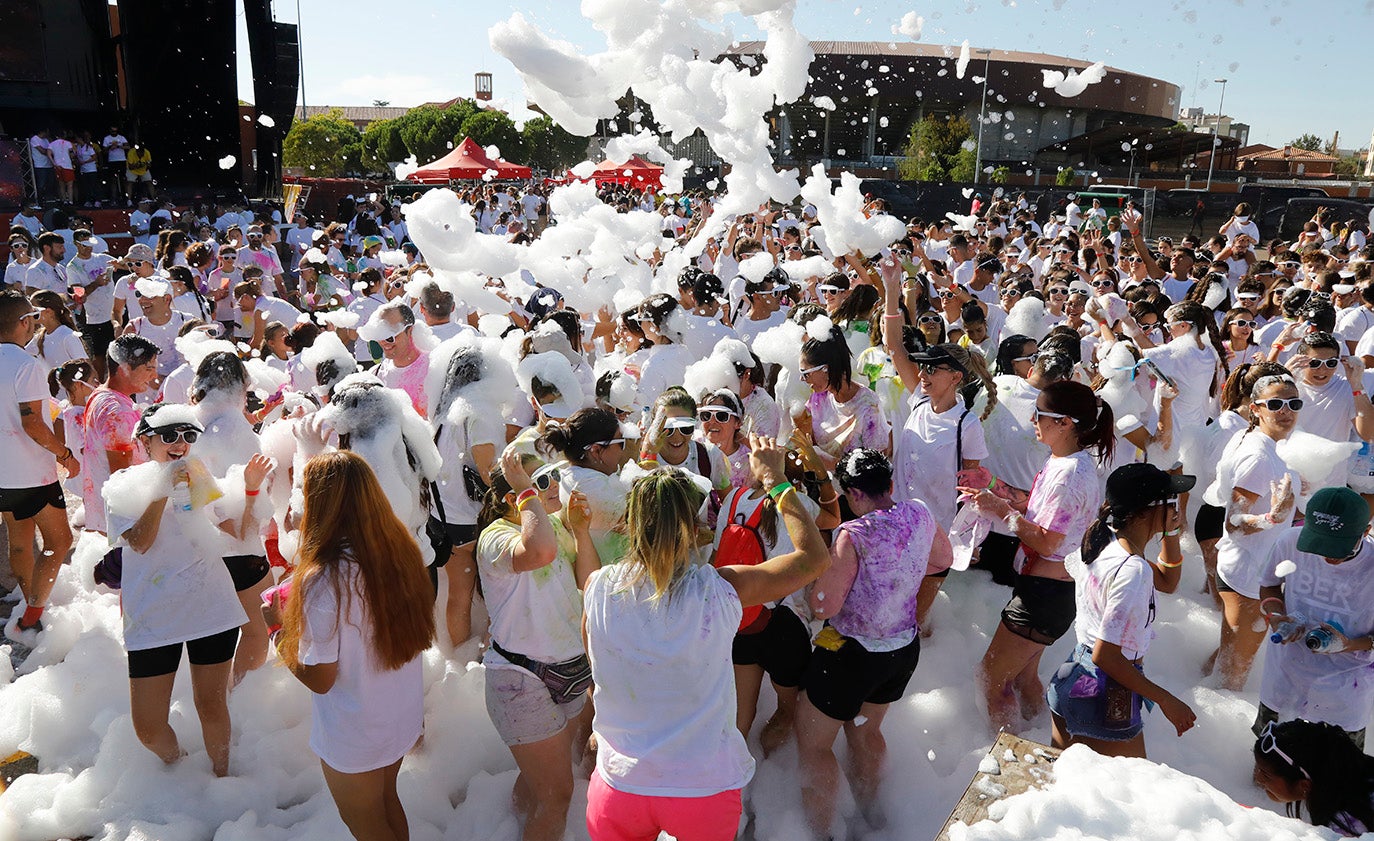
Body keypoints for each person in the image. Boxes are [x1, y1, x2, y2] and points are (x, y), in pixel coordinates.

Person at [582, 437, 829, 841]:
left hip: (619, 786)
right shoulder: (720, 589)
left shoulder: (597, 588)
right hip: (701, 787)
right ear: (694, 529)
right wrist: (777, 481)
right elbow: (814, 559)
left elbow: (598, 670)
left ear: (629, 525)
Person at [265, 451, 435, 841]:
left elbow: (321, 678)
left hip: (356, 732)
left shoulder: (325, 580)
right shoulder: (400, 552)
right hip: (399, 718)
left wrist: (278, 630)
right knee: (388, 803)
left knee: (367, 824)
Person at [796, 449, 953, 837]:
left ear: (852, 494)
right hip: (901, 651)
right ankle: (873, 815)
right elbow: (944, 558)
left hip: (851, 656)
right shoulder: (919, 512)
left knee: (815, 746)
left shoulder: (854, 535)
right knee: (866, 732)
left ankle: (824, 833)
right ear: (890, 485)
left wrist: (811, 584)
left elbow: (823, 606)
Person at [107, 404, 258, 777]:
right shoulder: (124, 486)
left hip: (209, 605)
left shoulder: (200, 476)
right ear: (146, 440)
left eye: (188, 436)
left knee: (211, 705)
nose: (180, 443)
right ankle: (180, 773)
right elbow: (140, 542)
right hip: (153, 615)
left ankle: (221, 781)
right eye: (169, 435)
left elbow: (236, 534)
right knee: (148, 728)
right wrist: (163, 491)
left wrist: (252, 490)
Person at [965, 380, 1115, 733]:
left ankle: (1007, 748)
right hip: (1050, 593)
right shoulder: (1064, 462)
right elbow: (1035, 508)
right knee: (1021, 678)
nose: (1032, 419)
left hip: (1043, 596)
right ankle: (1039, 737)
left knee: (990, 679)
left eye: (1039, 414)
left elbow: (1048, 541)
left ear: (1064, 423)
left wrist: (999, 510)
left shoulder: (1069, 476)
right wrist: (992, 485)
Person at [476, 449, 600, 841]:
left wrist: (580, 531)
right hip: (520, 678)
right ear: (514, 498)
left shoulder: (555, 525)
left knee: (541, 783)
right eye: (539, 482)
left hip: (569, 670)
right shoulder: (494, 537)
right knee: (558, 794)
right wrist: (526, 492)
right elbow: (538, 552)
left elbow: (591, 583)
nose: (552, 488)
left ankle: (510, 826)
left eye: (551, 477)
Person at [1046, 462, 1197, 757]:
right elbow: (1107, 656)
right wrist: (1166, 700)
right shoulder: (1133, 570)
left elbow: (1168, 580)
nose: (1177, 506)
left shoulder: (1105, 542)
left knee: (1061, 784)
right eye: (1171, 501)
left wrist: (1172, 530)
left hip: (1073, 677)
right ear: (1147, 510)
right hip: (1104, 693)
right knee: (1129, 795)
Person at [1206, 373, 1303, 691]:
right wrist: (1271, 518)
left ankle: (1193, 687)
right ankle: (1210, 734)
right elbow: (1234, 522)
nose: (1285, 410)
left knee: (1228, 657)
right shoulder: (1259, 457)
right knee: (1233, 675)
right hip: (1248, 576)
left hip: (1252, 568)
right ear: (1256, 409)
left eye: (1293, 403)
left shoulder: (1266, 446)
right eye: (1276, 404)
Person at [1256, 488, 1374, 747]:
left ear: (1365, 532)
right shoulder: (1290, 541)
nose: (1327, 555)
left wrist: (1348, 644)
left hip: (1344, 695)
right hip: (1283, 680)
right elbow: (1269, 585)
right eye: (1319, 544)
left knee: (1336, 779)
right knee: (1269, 766)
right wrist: (1277, 616)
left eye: (1336, 547)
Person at [0, 292, 77, 642]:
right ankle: (32, 616)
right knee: (59, 542)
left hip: (3, 474)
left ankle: (34, 607)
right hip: (32, 472)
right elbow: (32, 424)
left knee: (19, 542)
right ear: (23, 323)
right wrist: (65, 455)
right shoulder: (25, 364)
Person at [81, 335, 160, 535]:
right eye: (149, 368)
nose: (154, 376)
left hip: (107, 514)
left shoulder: (102, 395)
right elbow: (122, 479)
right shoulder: (117, 412)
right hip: (123, 521)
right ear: (124, 368)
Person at [1253, 719, 1374, 837]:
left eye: (1266, 774)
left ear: (1304, 785)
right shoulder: (1356, 773)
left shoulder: (1345, 827)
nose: (1258, 778)